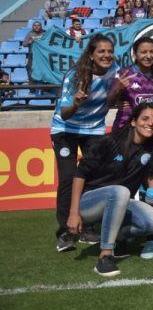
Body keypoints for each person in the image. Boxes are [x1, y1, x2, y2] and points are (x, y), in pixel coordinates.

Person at [66, 104, 153, 276]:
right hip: (89, 203)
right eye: (145, 119)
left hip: (121, 201)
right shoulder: (110, 141)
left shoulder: (150, 149)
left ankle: (119, 236)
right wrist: (73, 212)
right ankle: (105, 257)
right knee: (120, 191)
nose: (150, 124)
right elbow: (80, 174)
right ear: (133, 122)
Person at [52, 34, 120, 253]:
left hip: (95, 130)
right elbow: (65, 113)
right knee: (69, 178)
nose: (107, 55)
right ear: (91, 55)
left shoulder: (114, 70)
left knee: (94, 178)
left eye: (109, 51)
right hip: (66, 129)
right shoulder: (75, 75)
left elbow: (109, 100)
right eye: (101, 51)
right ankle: (65, 231)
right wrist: (76, 103)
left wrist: (117, 92)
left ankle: (87, 225)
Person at [111, 38, 153, 131]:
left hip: (149, 129)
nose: (149, 56)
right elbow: (109, 101)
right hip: (124, 128)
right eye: (144, 52)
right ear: (134, 54)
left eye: (152, 52)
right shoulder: (123, 74)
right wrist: (117, 92)